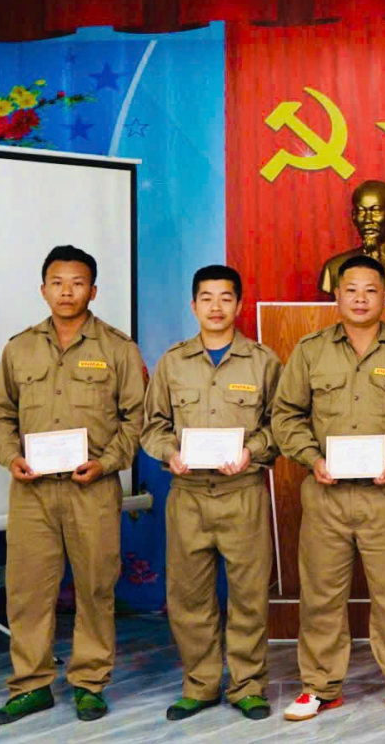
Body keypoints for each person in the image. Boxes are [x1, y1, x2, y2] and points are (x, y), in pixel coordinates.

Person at [272, 255, 385, 721]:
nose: (361, 299)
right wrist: (312, 458)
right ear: (337, 295)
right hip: (325, 495)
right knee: (320, 596)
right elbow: (285, 414)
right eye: (351, 290)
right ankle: (320, 686)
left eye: (371, 290)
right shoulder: (310, 350)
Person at [0, 246, 145, 725]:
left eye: (77, 283)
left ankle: (90, 682)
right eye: (57, 283)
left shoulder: (117, 348)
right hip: (32, 492)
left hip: (92, 488)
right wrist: (10, 457)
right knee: (28, 591)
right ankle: (30, 684)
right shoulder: (19, 349)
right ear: (43, 290)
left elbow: (137, 418)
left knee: (95, 587)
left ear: (93, 291)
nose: (66, 291)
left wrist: (107, 462)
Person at [140, 265, 281, 721]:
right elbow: (153, 426)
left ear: (239, 304)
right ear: (193, 305)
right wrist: (170, 453)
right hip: (188, 494)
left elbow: (282, 425)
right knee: (189, 596)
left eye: (225, 298)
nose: (216, 307)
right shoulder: (173, 362)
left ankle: (248, 686)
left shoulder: (263, 362)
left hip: (243, 492)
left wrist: (252, 451)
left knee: (249, 595)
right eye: (207, 298)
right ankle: (199, 685)